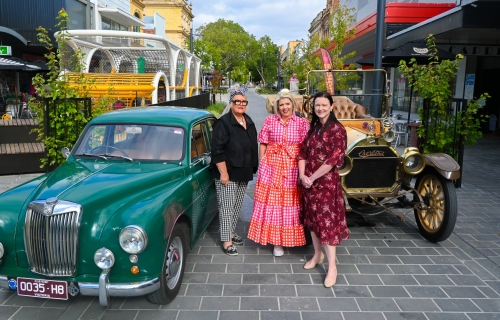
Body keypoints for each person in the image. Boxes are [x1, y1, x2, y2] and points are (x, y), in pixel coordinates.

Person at [248, 89, 310, 256]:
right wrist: (262, 163)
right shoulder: (270, 121)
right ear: (277, 106)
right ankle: (277, 242)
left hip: (293, 166)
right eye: (281, 104)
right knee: (274, 203)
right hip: (272, 166)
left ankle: (290, 238)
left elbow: (306, 148)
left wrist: (304, 170)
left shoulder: (302, 123)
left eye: (287, 104)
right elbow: (263, 142)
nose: (284, 107)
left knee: (291, 203)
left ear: (293, 105)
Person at [297, 91, 348, 288]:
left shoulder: (337, 129)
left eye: (324, 105)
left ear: (331, 107)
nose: (320, 108)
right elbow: (302, 153)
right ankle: (317, 255)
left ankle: (332, 266)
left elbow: (334, 159)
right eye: (317, 105)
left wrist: (312, 177)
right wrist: (303, 176)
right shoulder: (314, 127)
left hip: (325, 182)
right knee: (312, 219)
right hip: (308, 181)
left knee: (327, 223)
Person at [211, 85, 258, 256]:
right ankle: (226, 241)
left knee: (237, 205)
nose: (241, 104)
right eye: (237, 101)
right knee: (226, 207)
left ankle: (230, 232)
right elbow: (217, 149)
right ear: (231, 103)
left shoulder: (248, 120)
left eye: (243, 102)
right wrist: (223, 173)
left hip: (243, 171)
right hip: (228, 173)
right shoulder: (223, 123)